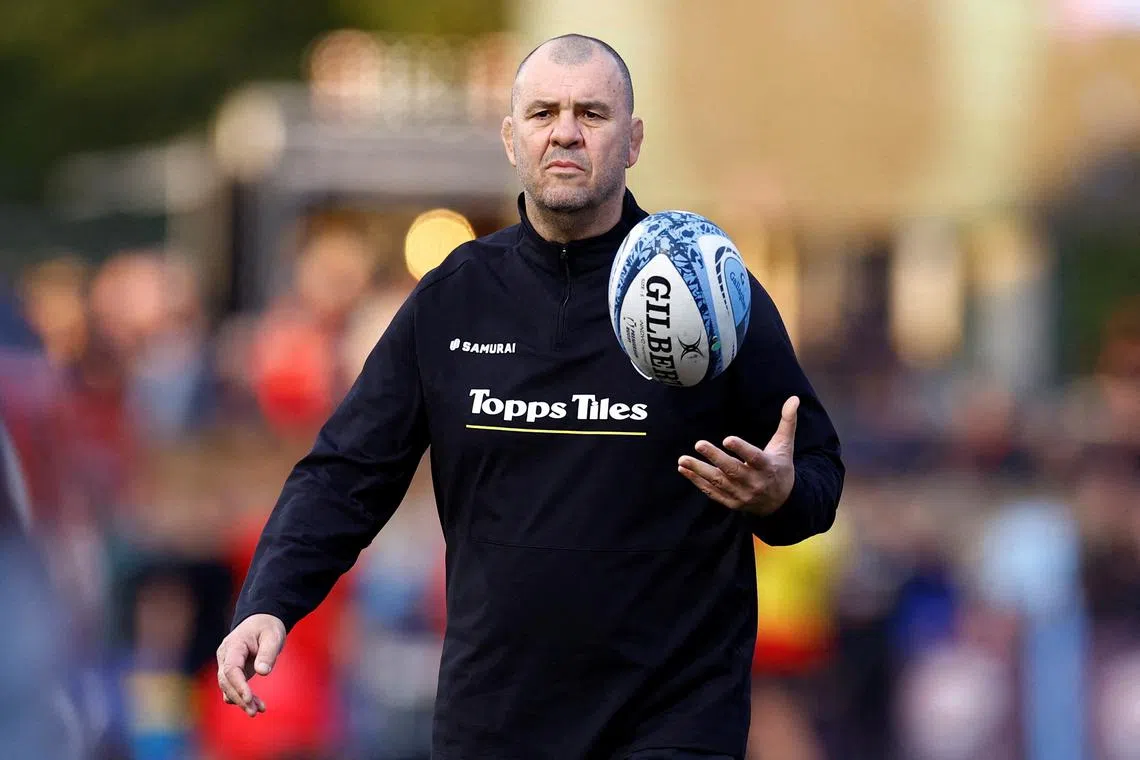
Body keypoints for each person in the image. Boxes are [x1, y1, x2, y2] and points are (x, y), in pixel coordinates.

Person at [216, 33, 844, 760]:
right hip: (497, 720)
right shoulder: (455, 298)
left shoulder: (707, 289)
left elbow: (816, 468)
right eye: (544, 112)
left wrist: (781, 496)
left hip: (671, 719)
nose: (566, 131)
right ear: (512, 139)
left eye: (592, 113)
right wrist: (270, 600)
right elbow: (347, 473)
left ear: (633, 140)